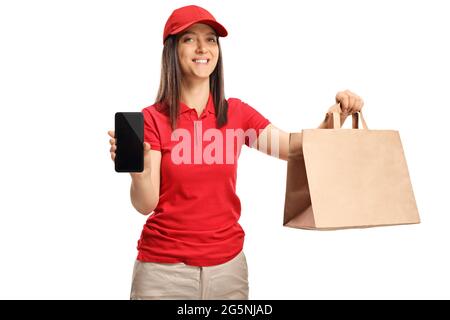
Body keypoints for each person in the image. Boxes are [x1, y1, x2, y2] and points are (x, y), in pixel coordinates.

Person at [107, 5, 364, 300]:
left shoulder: (236, 116)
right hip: (163, 272)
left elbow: (293, 149)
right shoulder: (153, 119)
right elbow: (145, 204)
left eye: (211, 39)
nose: (203, 47)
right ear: (172, 50)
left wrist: (337, 116)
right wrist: (141, 174)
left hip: (228, 271)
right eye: (189, 39)